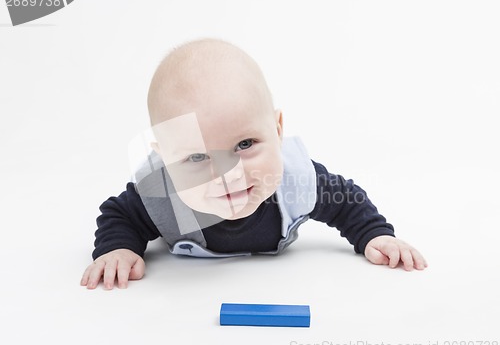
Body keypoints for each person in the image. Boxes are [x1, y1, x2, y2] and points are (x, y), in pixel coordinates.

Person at [81, 38, 427, 290]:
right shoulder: (161, 193)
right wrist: (118, 248)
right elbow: (118, 214)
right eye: (198, 157)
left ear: (277, 130)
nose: (229, 175)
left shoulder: (296, 180)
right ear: (166, 160)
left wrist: (374, 235)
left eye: (244, 145)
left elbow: (346, 201)